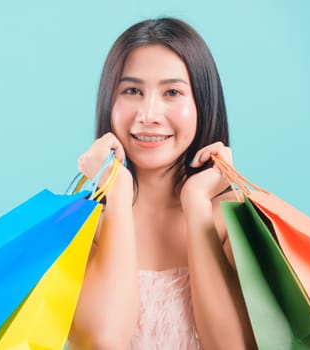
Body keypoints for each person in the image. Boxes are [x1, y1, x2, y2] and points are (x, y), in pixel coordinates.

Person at [68, 18, 256, 349]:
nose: (149, 114)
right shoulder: (80, 227)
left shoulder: (235, 220)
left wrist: (197, 205)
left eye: (172, 92)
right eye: (132, 91)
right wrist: (117, 192)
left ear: (202, 101)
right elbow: (103, 342)